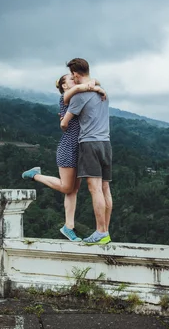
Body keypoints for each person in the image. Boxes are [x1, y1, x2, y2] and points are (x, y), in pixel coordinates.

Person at [22, 73, 106, 242]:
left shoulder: (77, 97)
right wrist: (95, 87)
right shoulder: (65, 98)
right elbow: (83, 86)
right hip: (68, 147)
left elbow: (93, 81)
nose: (75, 80)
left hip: (81, 149)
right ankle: (34, 175)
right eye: (71, 79)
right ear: (64, 86)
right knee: (67, 188)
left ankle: (68, 227)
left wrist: (94, 84)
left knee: (73, 190)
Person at [61, 57, 113, 245]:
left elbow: (65, 123)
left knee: (95, 188)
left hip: (90, 144)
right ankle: (105, 231)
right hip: (106, 143)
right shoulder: (102, 92)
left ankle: (100, 232)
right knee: (106, 188)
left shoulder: (79, 96)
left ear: (75, 74)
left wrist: (63, 122)